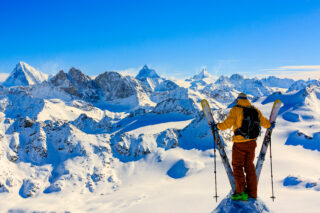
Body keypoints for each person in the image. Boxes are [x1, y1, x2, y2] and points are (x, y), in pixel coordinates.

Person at [213, 93, 274, 201]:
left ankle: (240, 192)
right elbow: (265, 123)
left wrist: (217, 126)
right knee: (249, 166)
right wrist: (270, 125)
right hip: (252, 143)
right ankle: (252, 193)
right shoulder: (255, 110)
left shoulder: (235, 110)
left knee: (237, 166)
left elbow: (227, 124)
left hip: (240, 143)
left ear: (238, 100)